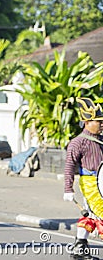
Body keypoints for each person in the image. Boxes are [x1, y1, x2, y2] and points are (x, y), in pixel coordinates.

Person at [64, 97, 103, 259]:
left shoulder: (100, 140)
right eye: (98, 121)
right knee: (100, 213)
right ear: (87, 122)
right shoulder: (77, 142)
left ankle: (80, 247)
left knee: (92, 216)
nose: (102, 124)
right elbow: (69, 166)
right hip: (89, 183)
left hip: (101, 182)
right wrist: (68, 189)